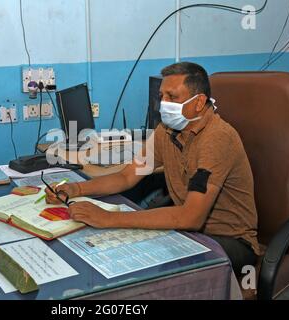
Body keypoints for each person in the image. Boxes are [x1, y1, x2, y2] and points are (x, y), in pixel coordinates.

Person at [45, 62, 259, 276]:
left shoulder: (217, 138)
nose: (163, 104)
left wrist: (109, 219)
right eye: (162, 96)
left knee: (149, 271)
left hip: (231, 241)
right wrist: (75, 189)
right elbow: (126, 177)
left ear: (199, 102)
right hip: (189, 232)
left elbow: (191, 217)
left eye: (173, 97)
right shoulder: (167, 131)